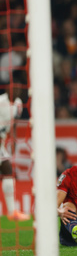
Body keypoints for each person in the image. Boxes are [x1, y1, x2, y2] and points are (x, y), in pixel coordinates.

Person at [0, 85, 29, 221]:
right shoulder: (2, 103)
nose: (16, 91)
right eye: (13, 88)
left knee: (7, 169)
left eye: (18, 89)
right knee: (7, 169)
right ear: (7, 90)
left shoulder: (17, 105)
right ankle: (12, 212)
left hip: (1, 144)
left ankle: (12, 212)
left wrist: (14, 137)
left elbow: (14, 122)